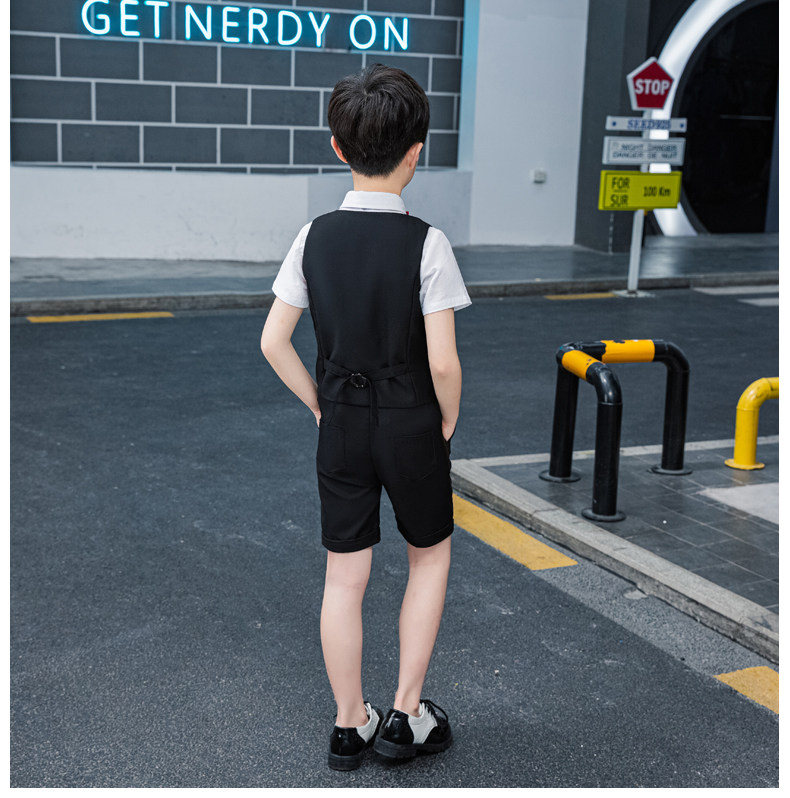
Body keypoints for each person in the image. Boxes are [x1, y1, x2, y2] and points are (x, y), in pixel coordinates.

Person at [260, 63, 471, 771]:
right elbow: (444, 363)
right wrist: (446, 418)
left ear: (337, 148)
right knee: (428, 556)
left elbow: (273, 341)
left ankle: (349, 723)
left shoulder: (313, 236)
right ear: (417, 152)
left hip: (343, 424)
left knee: (343, 577)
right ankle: (406, 715)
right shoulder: (428, 244)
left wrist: (320, 403)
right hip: (411, 421)